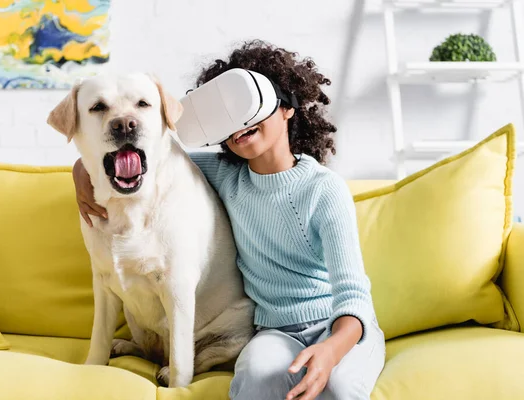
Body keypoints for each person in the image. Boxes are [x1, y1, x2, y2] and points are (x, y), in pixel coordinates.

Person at [72, 39, 385, 400]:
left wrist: (332, 350)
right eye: (228, 117)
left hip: (341, 328)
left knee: (339, 387)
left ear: (287, 109)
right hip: (273, 330)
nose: (240, 126)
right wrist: (81, 169)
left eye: (251, 109)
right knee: (253, 380)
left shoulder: (325, 190)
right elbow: (154, 156)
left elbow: (353, 294)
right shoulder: (225, 176)